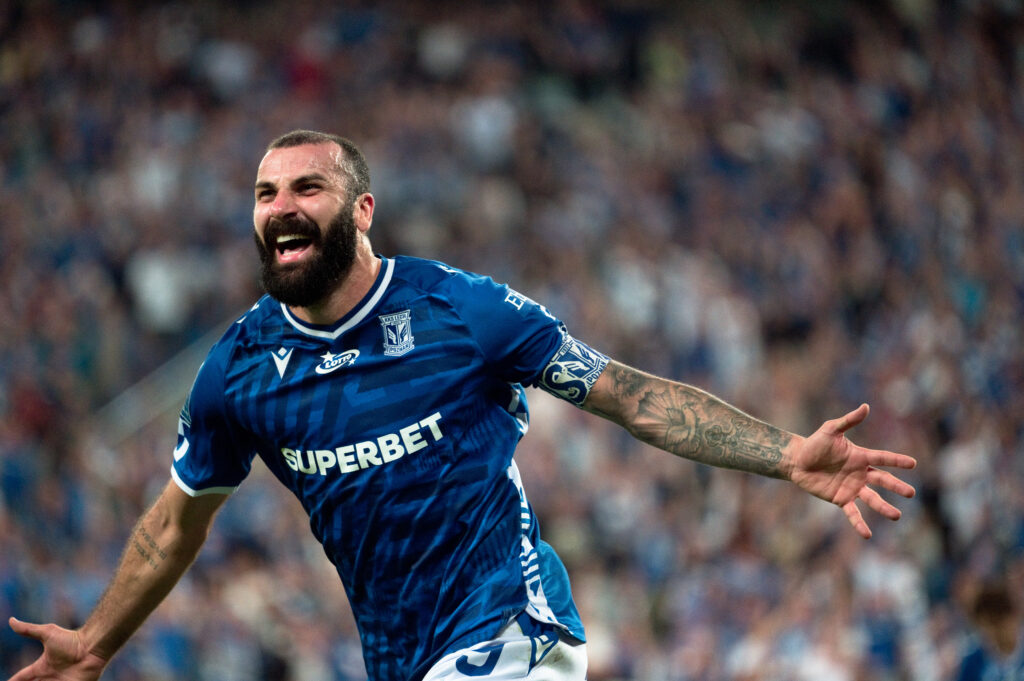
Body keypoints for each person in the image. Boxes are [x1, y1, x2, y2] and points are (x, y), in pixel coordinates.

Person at [6, 130, 917, 681]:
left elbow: (630, 397)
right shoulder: (238, 372)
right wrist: (95, 643)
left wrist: (785, 453)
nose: (281, 206)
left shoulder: (462, 311)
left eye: (306, 188)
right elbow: (177, 522)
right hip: (405, 657)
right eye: (265, 193)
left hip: (514, 627)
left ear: (362, 209)